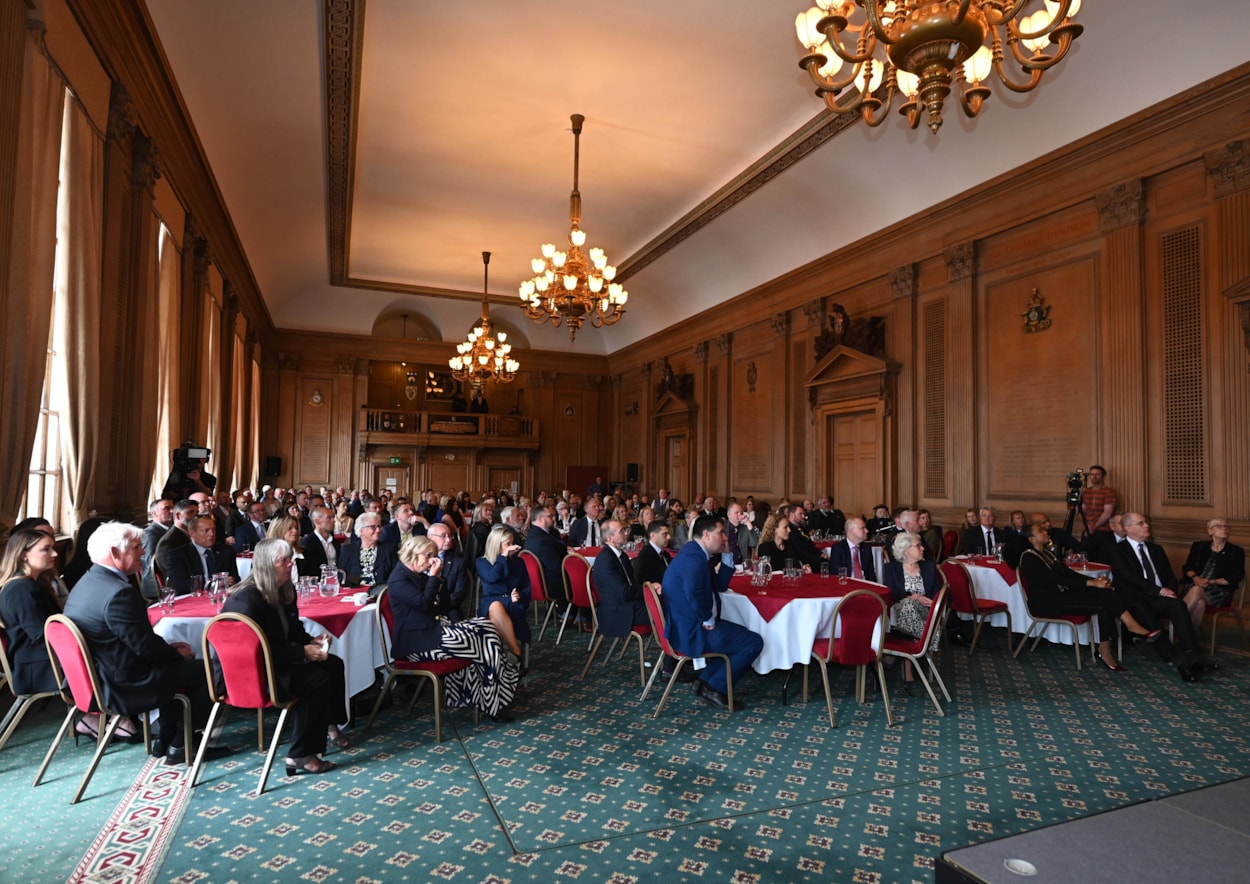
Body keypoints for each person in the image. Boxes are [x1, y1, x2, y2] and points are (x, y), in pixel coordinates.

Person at [62, 522, 227, 765]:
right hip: (125, 682)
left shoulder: (86, 583)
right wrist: (176, 653)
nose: (143, 552)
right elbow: (144, 647)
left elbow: (138, 642)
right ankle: (181, 745)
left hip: (101, 676)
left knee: (183, 665)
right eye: (137, 547)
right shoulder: (119, 593)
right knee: (210, 670)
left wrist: (170, 651)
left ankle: (168, 740)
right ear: (115, 553)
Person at [221, 538, 348, 775]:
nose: (291, 564)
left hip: (274, 664)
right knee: (317, 679)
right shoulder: (245, 600)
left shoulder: (283, 591)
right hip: (249, 675)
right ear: (267, 565)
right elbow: (253, 651)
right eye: (284, 560)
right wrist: (300, 652)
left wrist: (311, 642)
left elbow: (292, 630)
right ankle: (300, 754)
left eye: (290, 558)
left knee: (333, 664)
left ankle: (329, 726)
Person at [387, 535, 518, 720]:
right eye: (428, 555)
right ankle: (494, 699)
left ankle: (488, 697)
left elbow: (445, 605)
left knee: (486, 626)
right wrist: (433, 578)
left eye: (434, 555)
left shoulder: (418, 574)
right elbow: (424, 604)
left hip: (434, 631)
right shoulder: (398, 579)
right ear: (413, 554)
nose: (434, 561)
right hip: (418, 644)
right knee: (485, 638)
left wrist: (439, 578)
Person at [1019, 522, 1159, 672]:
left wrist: (1097, 582)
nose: (1046, 532)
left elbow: (1068, 574)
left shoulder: (1047, 553)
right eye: (1040, 531)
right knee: (1105, 601)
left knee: (1106, 594)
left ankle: (1115, 640)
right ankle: (1122, 635)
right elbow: (1056, 579)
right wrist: (1092, 583)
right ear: (1032, 539)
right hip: (1046, 603)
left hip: (1061, 596)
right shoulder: (1029, 557)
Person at [661, 515, 763, 710]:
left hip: (686, 625)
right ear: (707, 535)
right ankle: (714, 687)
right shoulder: (693, 558)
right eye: (721, 533)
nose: (725, 538)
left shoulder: (696, 553)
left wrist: (726, 555)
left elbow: (720, 585)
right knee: (753, 642)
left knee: (741, 634)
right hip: (692, 631)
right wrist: (707, 618)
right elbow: (693, 591)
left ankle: (705, 681)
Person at [1110, 513, 1212, 683]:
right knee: (1149, 618)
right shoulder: (1117, 550)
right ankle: (1178, 662)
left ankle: (1193, 656)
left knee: (1177, 605)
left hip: (1158, 596)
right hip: (1134, 599)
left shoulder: (1156, 549)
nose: (1146, 525)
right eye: (1141, 523)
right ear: (1128, 528)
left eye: (1146, 522)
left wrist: (1170, 591)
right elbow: (1129, 577)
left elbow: (1169, 577)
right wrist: (1158, 591)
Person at [0, 529, 64, 697]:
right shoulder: (20, 589)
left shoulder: (31, 583)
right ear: (23, 555)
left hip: (38, 659)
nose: (55, 553)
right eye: (46, 549)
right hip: (36, 667)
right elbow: (41, 636)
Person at [881, 531, 942, 691]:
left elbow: (938, 592)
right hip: (897, 612)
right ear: (906, 550)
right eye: (918, 546)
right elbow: (890, 592)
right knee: (908, 606)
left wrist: (931, 600)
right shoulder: (891, 569)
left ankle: (899, 657)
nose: (922, 549)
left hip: (925, 612)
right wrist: (913, 596)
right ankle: (917, 652)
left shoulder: (928, 568)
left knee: (910, 609)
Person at [475, 525, 531, 657]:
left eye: (512, 543)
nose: (512, 546)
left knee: (497, 612)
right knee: (495, 606)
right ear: (497, 545)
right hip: (490, 603)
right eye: (508, 544)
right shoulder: (482, 562)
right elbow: (492, 577)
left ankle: (499, 659)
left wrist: (519, 595)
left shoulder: (518, 562)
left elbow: (527, 588)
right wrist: (503, 558)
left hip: (514, 604)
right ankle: (516, 652)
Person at [1179, 518, 1245, 631]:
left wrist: (1210, 581)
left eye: (1226, 527)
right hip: (1194, 585)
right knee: (1199, 603)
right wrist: (1196, 578)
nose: (1224, 528)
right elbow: (1188, 568)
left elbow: (1235, 577)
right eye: (1219, 526)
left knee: (1197, 590)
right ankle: (1188, 640)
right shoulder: (1199, 547)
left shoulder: (1236, 552)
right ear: (1210, 531)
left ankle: (1176, 623)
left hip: (1219, 591)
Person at [593, 520, 650, 640]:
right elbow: (623, 592)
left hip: (629, 602)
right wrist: (647, 591)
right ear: (610, 538)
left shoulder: (621, 555)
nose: (627, 533)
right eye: (622, 531)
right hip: (617, 610)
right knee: (664, 612)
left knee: (666, 606)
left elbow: (632, 583)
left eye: (626, 530)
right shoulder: (605, 560)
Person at [167, 514, 239, 595]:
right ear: (192, 534)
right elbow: (180, 586)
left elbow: (235, 579)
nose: (211, 534)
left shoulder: (226, 551)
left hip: (223, 597)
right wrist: (213, 584)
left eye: (214, 530)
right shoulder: (178, 555)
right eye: (206, 530)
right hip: (194, 600)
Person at [337, 512, 397, 588]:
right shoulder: (348, 550)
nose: (378, 530)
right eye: (373, 527)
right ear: (361, 530)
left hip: (381, 592)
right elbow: (341, 575)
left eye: (379, 526)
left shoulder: (389, 549)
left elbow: (396, 574)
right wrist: (359, 581)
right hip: (355, 592)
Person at [523, 506, 566, 601]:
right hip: (552, 584)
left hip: (540, 582)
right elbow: (558, 567)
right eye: (550, 516)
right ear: (540, 519)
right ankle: (580, 613)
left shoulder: (533, 534)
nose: (554, 518)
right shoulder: (543, 541)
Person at [828, 517, 878, 582]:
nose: (867, 531)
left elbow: (871, 574)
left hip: (865, 585)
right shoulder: (838, 548)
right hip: (847, 586)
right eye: (862, 528)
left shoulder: (866, 548)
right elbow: (836, 574)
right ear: (852, 531)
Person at [1081, 465, 1117, 538]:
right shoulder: (1086, 492)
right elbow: (1083, 511)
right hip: (1088, 528)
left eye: (1097, 474)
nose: (1094, 477)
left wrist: (1094, 527)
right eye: (1092, 474)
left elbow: (1107, 513)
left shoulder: (1108, 492)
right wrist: (1088, 526)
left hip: (1103, 530)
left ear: (1103, 476)